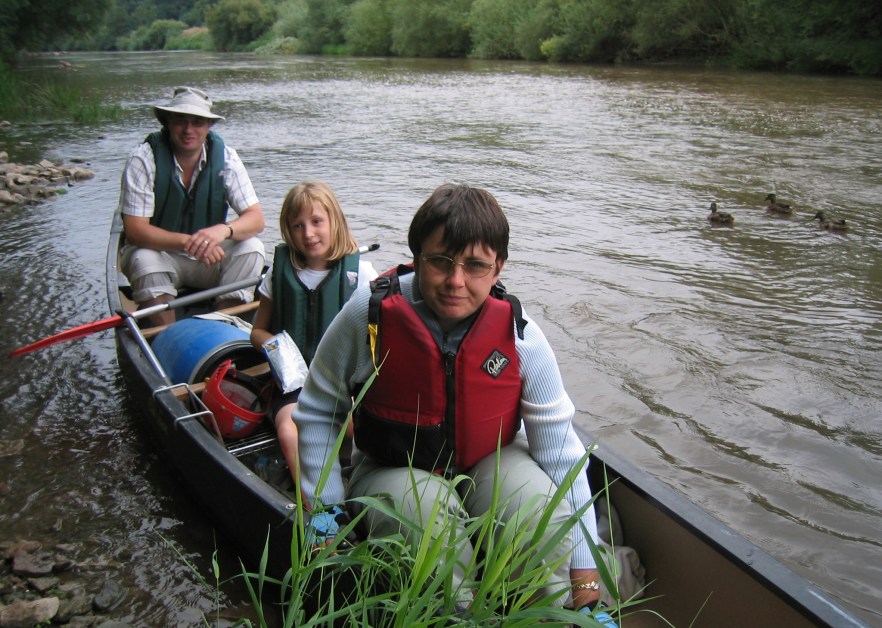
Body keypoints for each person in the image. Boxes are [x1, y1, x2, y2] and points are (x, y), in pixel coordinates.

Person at [292, 183, 614, 621]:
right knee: (423, 517)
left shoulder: (523, 338)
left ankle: (544, 614)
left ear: (498, 268)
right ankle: (453, 615)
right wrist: (324, 510)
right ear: (417, 255)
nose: (455, 281)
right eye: (440, 261)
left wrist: (587, 581)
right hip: (394, 467)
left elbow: (561, 454)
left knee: (536, 506)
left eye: (475, 265)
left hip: (491, 460)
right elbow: (317, 409)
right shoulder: (365, 317)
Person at [250, 181, 377, 487]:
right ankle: (317, 508)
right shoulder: (277, 276)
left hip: (343, 383)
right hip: (294, 383)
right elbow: (257, 331)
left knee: (360, 428)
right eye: (298, 225)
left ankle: (367, 482)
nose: (308, 234)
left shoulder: (363, 276)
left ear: (335, 222)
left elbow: (378, 341)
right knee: (289, 428)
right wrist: (280, 351)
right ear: (287, 230)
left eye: (317, 222)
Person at [118, 86, 266, 326]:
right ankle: (166, 336)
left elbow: (256, 219)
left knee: (253, 247)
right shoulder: (143, 159)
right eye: (180, 121)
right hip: (162, 255)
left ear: (209, 127)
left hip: (208, 260)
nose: (189, 130)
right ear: (168, 123)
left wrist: (222, 231)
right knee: (143, 259)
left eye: (197, 122)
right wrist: (190, 242)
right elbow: (135, 230)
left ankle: (220, 328)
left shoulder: (226, 158)